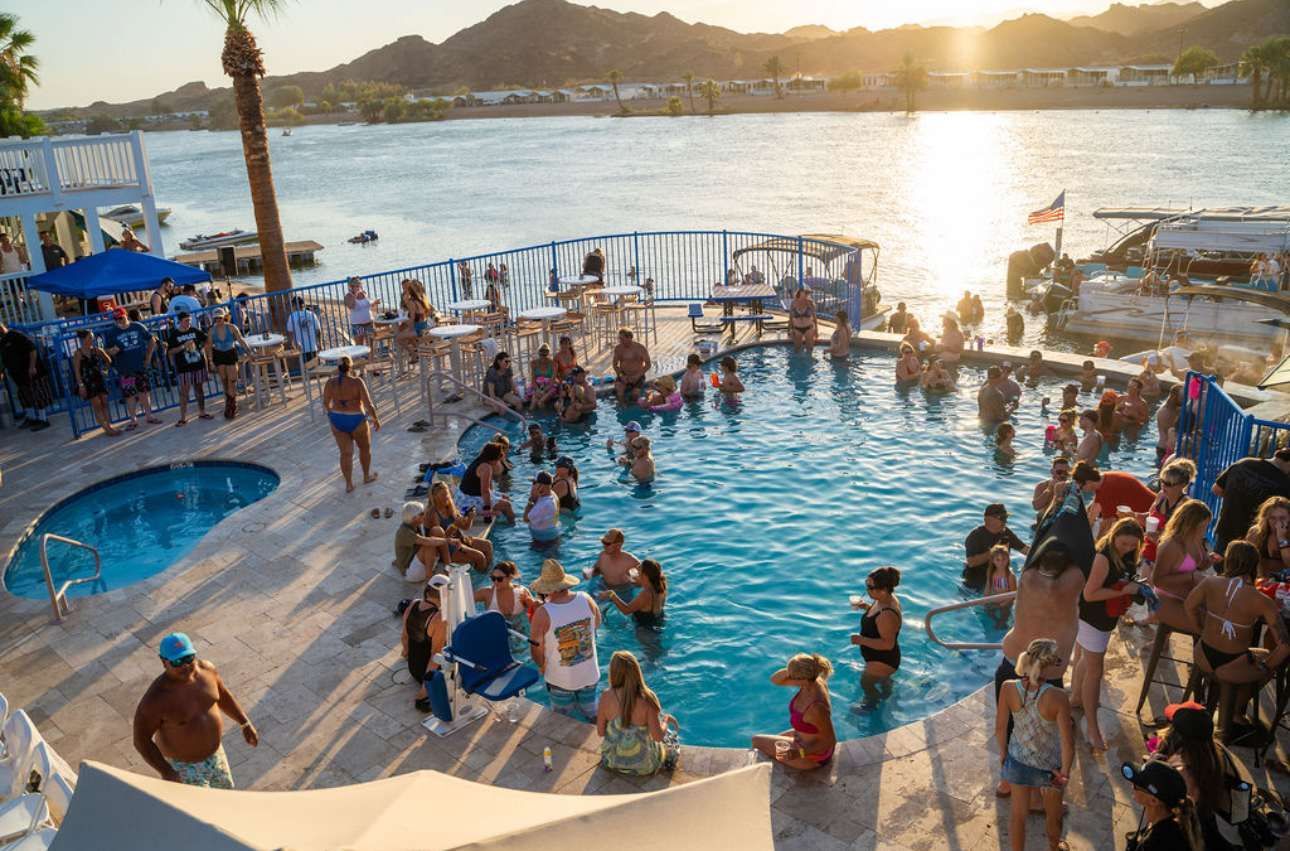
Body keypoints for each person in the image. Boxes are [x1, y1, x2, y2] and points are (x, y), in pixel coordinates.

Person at [996, 542, 1084, 800]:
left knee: (1011, 726)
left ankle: (1006, 780)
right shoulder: (1073, 581)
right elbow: (1088, 553)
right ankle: (1038, 794)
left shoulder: (1027, 576)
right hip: (1048, 675)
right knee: (1045, 737)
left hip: (1013, 663)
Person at [1184, 541, 1290, 732]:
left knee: (1256, 658)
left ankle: (1220, 701)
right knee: (1267, 659)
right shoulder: (1262, 601)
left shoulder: (1210, 582)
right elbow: (1284, 646)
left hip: (1203, 655)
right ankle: (1232, 710)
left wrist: (1200, 630)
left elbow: (1189, 606)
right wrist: (1265, 668)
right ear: (1254, 565)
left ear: (1228, 561)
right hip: (1232, 665)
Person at [132, 633, 257, 788]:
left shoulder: (208, 670)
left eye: (188, 658)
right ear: (164, 662)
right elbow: (141, 740)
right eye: (177, 661)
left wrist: (244, 722)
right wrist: (167, 771)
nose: (185, 665)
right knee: (200, 809)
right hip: (184, 768)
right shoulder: (156, 699)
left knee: (226, 799)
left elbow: (223, 696)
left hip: (216, 756)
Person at [994, 638, 1074, 851]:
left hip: (1018, 761)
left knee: (1018, 816)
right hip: (1049, 768)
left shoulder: (1008, 687)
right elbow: (1067, 741)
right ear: (1047, 666)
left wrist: (1003, 755)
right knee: (1053, 817)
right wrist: (1064, 773)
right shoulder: (1057, 696)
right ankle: (1054, 847)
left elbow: (1000, 728)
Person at [1072, 518, 1144, 751]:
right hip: (1092, 619)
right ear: (1114, 537)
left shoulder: (1126, 556)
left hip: (1103, 620)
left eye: (1132, 546)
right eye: (1123, 543)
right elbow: (1090, 594)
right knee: (1096, 671)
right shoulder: (1103, 557)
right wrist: (1123, 591)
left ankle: (1076, 697)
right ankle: (1092, 728)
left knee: (1086, 660)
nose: (1127, 549)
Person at [1153, 700, 1256, 850]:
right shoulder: (1216, 752)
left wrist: (1152, 768)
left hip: (1191, 834)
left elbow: (1158, 807)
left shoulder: (1183, 773)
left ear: (1176, 736)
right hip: (1213, 821)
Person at [530, 559, 602, 721]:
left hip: (560, 680)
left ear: (546, 588)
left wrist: (542, 665)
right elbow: (596, 624)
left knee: (560, 721)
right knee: (593, 715)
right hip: (589, 675)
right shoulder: (586, 598)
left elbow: (536, 649)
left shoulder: (542, 613)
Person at [597, 651, 678, 775]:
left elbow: (600, 732)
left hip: (611, 761)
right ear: (636, 671)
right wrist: (666, 721)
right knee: (670, 740)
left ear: (613, 672)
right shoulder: (647, 698)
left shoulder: (605, 696)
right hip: (644, 767)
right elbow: (658, 737)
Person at [750, 653, 836, 770]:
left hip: (813, 757)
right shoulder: (813, 681)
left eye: (792, 676)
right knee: (770, 741)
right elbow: (775, 680)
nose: (789, 678)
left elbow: (830, 740)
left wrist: (798, 753)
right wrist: (792, 669)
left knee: (757, 741)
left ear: (803, 679)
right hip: (801, 737)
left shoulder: (816, 708)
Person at [1151, 499, 1212, 634]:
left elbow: (1200, 566)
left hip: (1188, 596)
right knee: (1209, 628)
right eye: (1202, 527)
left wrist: (1210, 560)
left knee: (1219, 617)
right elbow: (1157, 581)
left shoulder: (1196, 539)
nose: (1205, 530)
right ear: (1189, 525)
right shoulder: (1170, 545)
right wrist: (1190, 577)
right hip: (1165, 599)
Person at [1212, 448, 1290, 552]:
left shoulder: (1244, 463)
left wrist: (1236, 497)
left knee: (1221, 564)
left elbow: (1216, 489)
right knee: (1247, 566)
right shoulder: (1284, 484)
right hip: (1255, 536)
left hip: (1227, 527)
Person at [322, 355, 380, 493]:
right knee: (364, 449)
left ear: (338, 368)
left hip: (337, 420)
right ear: (351, 367)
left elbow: (325, 403)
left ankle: (349, 484)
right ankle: (366, 477)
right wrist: (376, 419)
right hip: (356, 419)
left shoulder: (330, 383)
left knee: (345, 453)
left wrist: (332, 414)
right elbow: (368, 404)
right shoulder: (357, 382)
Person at [1121, 759, 1204, 850]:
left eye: (1136, 785)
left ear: (1153, 801)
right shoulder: (1167, 821)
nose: (1132, 785)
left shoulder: (1156, 843)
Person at [850, 566, 902, 706]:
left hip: (882, 660)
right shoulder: (882, 600)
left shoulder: (886, 614)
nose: (867, 590)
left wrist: (861, 640)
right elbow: (877, 621)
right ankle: (888, 693)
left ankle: (872, 706)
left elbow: (887, 644)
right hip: (880, 659)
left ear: (884, 589)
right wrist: (867, 607)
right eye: (867, 585)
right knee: (882, 681)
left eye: (871, 587)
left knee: (866, 684)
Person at [100, 307, 159, 428]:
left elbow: (152, 340)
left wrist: (148, 358)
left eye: (121, 318)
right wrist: (112, 351)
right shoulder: (112, 332)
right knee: (129, 395)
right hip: (124, 369)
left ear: (126, 315)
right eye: (116, 319)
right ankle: (133, 419)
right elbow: (106, 350)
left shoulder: (137, 326)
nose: (119, 321)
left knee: (144, 392)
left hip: (139, 366)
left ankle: (149, 416)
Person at [426, 481, 493, 571]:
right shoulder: (433, 513)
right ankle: (481, 576)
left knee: (488, 545)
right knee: (479, 557)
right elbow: (440, 539)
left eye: (447, 494)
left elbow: (465, 527)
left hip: (460, 540)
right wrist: (454, 526)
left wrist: (470, 518)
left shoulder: (449, 507)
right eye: (442, 495)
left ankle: (487, 574)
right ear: (434, 497)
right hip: (448, 548)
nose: (446, 497)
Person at [401, 583, 446, 712]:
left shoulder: (413, 604)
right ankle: (423, 695)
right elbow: (435, 656)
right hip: (425, 675)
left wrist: (406, 652)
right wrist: (424, 690)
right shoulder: (439, 619)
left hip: (413, 668)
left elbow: (405, 635)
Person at [0, 321, 53, 431]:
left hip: (31, 371)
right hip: (18, 375)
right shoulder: (2, 342)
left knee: (38, 394)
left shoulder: (15, 335)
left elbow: (32, 348)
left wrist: (32, 366)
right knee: (24, 397)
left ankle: (43, 419)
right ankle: (32, 417)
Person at [1143, 458, 1197, 564]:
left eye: (1169, 483)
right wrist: (1133, 515)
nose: (1163, 485)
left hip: (1171, 559)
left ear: (1183, 485)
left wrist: (1159, 537)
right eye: (1162, 481)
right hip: (1150, 551)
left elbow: (1183, 538)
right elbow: (1149, 516)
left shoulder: (1186, 506)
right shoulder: (1161, 495)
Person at [964, 503, 1029, 589]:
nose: (1005, 521)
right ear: (988, 519)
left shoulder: (1006, 533)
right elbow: (971, 562)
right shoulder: (975, 536)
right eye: (1002, 518)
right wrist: (994, 551)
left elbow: (1025, 550)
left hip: (999, 575)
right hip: (976, 577)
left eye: (1006, 518)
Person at [474, 561, 534, 651]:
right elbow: (465, 599)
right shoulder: (486, 593)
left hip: (518, 631)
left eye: (499, 579)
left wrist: (531, 603)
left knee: (519, 652)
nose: (495, 582)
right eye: (493, 578)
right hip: (493, 632)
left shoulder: (522, 592)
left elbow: (535, 612)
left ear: (510, 577)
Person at [72, 328, 121, 437]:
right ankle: (107, 428)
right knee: (97, 405)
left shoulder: (97, 350)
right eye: (90, 337)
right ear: (83, 339)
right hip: (88, 382)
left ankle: (108, 425)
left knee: (104, 402)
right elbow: (77, 371)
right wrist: (81, 385)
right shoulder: (78, 353)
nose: (92, 339)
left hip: (99, 378)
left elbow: (108, 360)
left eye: (92, 337)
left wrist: (106, 370)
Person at [165, 312, 212, 425]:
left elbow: (207, 341)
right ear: (180, 321)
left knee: (199, 390)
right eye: (186, 320)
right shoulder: (174, 334)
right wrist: (183, 346)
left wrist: (201, 348)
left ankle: (202, 412)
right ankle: (183, 417)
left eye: (189, 320)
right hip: (184, 368)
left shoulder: (195, 331)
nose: (188, 323)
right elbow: (170, 351)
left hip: (198, 365)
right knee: (184, 393)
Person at [203, 307, 250, 420]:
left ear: (224, 317)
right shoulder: (211, 331)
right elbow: (209, 346)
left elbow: (241, 340)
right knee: (224, 381)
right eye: (216, 318)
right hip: (219, 355)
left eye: (220, 317)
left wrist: (249, 351)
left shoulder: (232, 327)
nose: (218, 320)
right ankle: (229, 405)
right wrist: (210, 361)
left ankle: (232, 405)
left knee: (232, 380)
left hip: (230, 354)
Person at [456, 441, 515, 522]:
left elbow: (488, 489)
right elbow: (485, 492)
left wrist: (496, 497)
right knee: (507, 505)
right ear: (494, 457)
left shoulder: (479, 460)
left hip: (462, 497)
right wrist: (488, 510)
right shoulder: (486, 468)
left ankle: (503, 518)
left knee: (506, 497)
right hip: (468, 502)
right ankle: (512, 524)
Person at [391, 502, 449, 583]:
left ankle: (449, 566)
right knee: (428, 544)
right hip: (410, 573)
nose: (424, 515)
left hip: (418, 560)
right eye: (422, 514)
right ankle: (429, 579)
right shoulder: (404, 532)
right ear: (414, 517)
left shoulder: (416, 524)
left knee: (437, 530)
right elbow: (426, 541)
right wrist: (449, 541)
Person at [600, 558, 667, 628]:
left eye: (639, 573)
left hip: (645, 628)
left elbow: (626, 610)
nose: (637, 574)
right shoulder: (661, 587)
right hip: (659, 620)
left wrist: (611, 594)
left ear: (645, 576)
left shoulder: (645, 594)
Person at [1089, 469, 1155, 525]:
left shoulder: (1106, 490)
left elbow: (1108, 522)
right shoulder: (1105, 477)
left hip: (1149, 517)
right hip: (1151, 504)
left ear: (1088, 483)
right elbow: (1095, 507)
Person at [1247, 495, 1290, 578]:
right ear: (1266, 518)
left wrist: (1282, 538)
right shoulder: (1256, 533)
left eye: (1282, 518)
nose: (1277, 522)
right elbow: (1248, 561)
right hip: (1261, 582)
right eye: (1272, 518)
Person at [592, 528, 640, 592]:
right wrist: (590, 573)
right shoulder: (602, 556)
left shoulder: (630, 560)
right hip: (604, 589)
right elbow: (596, 570)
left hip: (623, 592)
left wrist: (636, 581)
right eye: (603, 542)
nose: (604, 546)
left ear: (618, 545)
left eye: (607, 544)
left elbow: (647, 578)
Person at [612, 327, 651, 405]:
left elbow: (648, 364)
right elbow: (615, 365)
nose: (620, 341)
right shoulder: (618, 348)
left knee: (635, 395)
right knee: (619, 393)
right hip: (624, 375)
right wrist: (621, 375)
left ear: (629, 337)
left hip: (638, 375)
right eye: (619, 339)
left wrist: (637, 376)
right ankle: (623, 409)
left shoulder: (640, 348)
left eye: (622, 339)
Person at [397, 278, 432, 361]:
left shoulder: (411, 302)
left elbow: (412, 320)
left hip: (419, 329)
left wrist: (405, 322)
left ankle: (414, 354)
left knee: (398, 338)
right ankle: (421, 352)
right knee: (407, 334)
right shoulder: (420, 299)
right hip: (424, 325)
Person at [983, 545, 1018, 625]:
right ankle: (996, 620)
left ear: (1008, 559)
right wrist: (985, 599)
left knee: (1004, 615)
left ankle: (1002, 622)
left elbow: (1013, 594)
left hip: (1007, 601)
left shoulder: (1010, 575)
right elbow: (988, 588)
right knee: (987, 610)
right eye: (998, 560)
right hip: (995, 598)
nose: (1001, 562)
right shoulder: (991, 572)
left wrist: (1003, 604)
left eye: (1004, 559)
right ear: (993, 560)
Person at [524, 471, 561, 545]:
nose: (532, 486)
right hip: (553, 532)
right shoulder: (553, 494)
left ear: (541, 485)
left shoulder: (545, 505)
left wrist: (530, 502)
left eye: (534, 483)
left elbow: (525, 519)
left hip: (543, 539)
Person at [285, 296, 320, 363]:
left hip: (300, 348)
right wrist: (320, 343)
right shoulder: (312, 314)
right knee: (315, 367)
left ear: (295, 305)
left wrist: (291, 344)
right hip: (312, 347)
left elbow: (290, 333)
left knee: (305, 369)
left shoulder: (292, 316)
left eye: (292, 305)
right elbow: (318, 330)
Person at [344, 276, 379, 344]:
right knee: (360, 346)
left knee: (371, 344)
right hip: (358, 325)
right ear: (351, 287)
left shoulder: (364, 293)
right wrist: (355, 295)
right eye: (356, 286)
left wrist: (374, 302)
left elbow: (367, 304)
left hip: (369, 323)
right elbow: (351, 306)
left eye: (359, 285)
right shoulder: (348, 296)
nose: (358, 287)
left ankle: (371, 355)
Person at [527, 343, 559, 409]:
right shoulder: (534, 363)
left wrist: (544, 390)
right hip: (537, 387)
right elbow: (533, 379)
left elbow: (552, 381)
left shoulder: (554, 364)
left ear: (548, 354)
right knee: (533, 403)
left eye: (545, 354)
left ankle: (545, 416)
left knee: (540, 402)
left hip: (550, 387)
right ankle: (529, 417)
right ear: (538, 353)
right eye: (541, 353)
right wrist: (538, 389)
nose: (543, 356)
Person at [1156, 386, 1182, 466]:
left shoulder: (1172, 409)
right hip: (1165, 449)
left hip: (1165, 447)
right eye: (1182, 397)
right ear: (1175, 396)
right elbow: (1172, 431)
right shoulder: (1165, 412)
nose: (1185, 399)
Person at [787, 288, 818, 352]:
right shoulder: (793, 303)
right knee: (797, 349)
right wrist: (789, 329)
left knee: (809, 349)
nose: (806, 295)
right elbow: (790, 317)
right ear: (800, 293)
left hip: (809, 328)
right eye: (805, 293)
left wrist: (816, 330)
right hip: (797, 328)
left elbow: (814, 317)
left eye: (807, 294)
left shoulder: (810, 303)